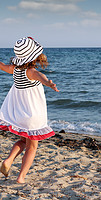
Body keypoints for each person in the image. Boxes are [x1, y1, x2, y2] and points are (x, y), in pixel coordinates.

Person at [0, 36, 59, 183]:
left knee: (22, 141)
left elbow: (1, 65)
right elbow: (42, 77)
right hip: (32, 115)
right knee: (32, 147)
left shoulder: (14, 70)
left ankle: (8, 160)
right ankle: (21, 177)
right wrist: (49, 83)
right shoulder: (31, 72)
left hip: (19, 113)